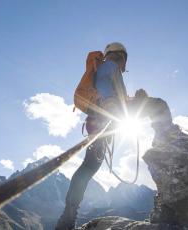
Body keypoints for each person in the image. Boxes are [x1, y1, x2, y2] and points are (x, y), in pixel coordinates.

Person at [55, 42, 178, 230]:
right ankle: (169, 143)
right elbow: (106, 89)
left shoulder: (105, 68)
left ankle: (67, 218)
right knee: (158, 105)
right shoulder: (110, 66)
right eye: (124, 59)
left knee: (88, 168)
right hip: (106, 115)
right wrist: (114, 103)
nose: (124, 63)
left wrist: (133, 99)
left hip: (98, 122)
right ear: (121, 56)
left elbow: (113, 95)